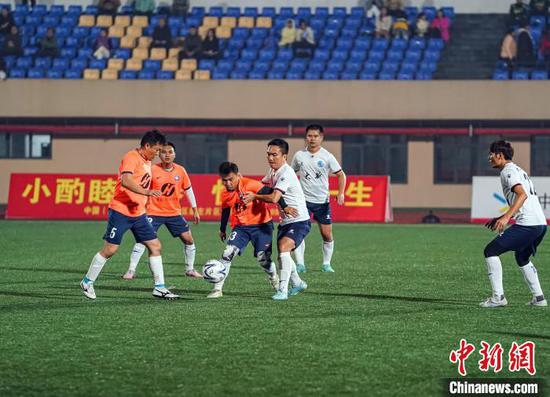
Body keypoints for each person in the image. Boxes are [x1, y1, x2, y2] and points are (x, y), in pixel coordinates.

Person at [80, 130, 179, 301]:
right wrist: (146, 192)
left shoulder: (147, 161)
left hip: (138, 214)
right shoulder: (132, 157)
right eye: (156, 150)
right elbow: (126, 180)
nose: (158, 154)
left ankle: (159, 288)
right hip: (121, 211)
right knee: (110, 250)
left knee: (155, 246)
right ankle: (87, 282)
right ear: (146, 146)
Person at [207, 162, 296, 298]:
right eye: (224, 180)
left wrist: (285, 207)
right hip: (241, 228)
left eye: (231, 179)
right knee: (228, 253)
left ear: (237, 175)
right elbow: (225, 210)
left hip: (262, 226)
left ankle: (273, 277)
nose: (228, 183)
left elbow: (272, 193)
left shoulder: (251, 185)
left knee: (263, 259)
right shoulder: (225, 193)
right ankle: (217, 289)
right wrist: (222, 229)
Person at [481, 141, 547, 308]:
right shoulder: (518, 170)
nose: (489, 157)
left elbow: (522, 195)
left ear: (500, 155)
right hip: (540, 225)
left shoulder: (508, 172)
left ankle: (498, 298)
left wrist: (506, 218)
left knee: (490, 251)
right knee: (522, 257)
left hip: (528, 224)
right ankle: (539, 298)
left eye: (491, 154)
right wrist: (502, 217)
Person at [122, 142, 202, 281]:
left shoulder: (181, 170)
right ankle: (131, 270)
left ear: (174, 154)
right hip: (154, 212)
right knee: (142, 240)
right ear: (159, 154)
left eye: (170, 152)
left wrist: (195, 210)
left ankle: (190, 269)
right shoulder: (152, 169)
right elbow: (143, 186)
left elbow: (188, 190)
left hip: (174, 213)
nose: (167, 155)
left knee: (188, 239)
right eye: (164, 152)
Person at [244, 139, 311, 301]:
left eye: (274, 155)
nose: (270, 158)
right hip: (285, 221)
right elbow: (261, 184)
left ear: (284, 156)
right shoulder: (273, 171)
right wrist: (242, 182)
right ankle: (298, 283)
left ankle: (283, 291)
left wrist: (254, 196)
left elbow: (274, 198)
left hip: (299, 220)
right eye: (268, 154)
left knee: (283, 248)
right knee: (283, 253)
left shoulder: (286, 173)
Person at [290, 125, 346, 273]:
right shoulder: (299, 155)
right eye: (309, 136)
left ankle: (326, 264)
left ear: (321, 138)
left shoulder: (327, 156)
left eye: (315, 136)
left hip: (322, 202)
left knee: (326, 234)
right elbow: (290, 173)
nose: (312, 139)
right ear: (306, 137)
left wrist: (341, 193)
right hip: (303, 201)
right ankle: (300, 264)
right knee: (299, 232)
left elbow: (341, 174)